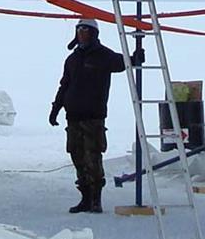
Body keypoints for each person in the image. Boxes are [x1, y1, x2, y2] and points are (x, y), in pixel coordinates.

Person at [48, 18, 138, 214]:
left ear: (93, 33)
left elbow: (124, 63)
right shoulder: (72, 59)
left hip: (93, 118)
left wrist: (136, 57)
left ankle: (96, 199)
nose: (81, 32)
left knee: (93, 157)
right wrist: (56, 109)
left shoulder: (104, 56)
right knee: (77, 157)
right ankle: (85, 198)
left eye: (85, 29)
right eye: (79, 29)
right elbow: (64, 86)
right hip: (73, 117)